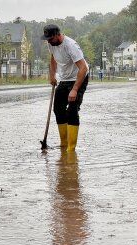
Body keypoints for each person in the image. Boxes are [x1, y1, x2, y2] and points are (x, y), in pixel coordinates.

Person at [41, 24, 89, 152]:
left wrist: (74, 89)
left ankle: (71, 149)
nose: (49, 42)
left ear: (58, 35)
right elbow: (53, 59)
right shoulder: (51, 43)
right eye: (47, 39)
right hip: (65, 79)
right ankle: (64, 143)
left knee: (72, 111)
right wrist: (52, 75)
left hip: (79, 77)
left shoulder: (70, 45)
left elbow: (83, 68)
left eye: (51, 39)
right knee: (58, 109)